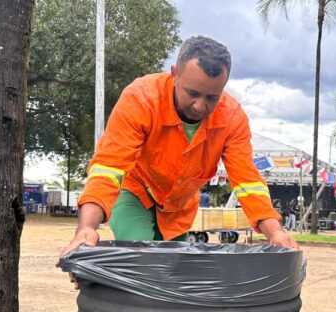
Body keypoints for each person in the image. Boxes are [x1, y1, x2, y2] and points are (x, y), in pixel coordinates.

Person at [62, 36, 297, 254]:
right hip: (135, 192)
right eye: (192, 93)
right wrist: (86, 228)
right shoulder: (141, 99)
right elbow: (108, 168)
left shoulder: (232, 118)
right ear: (174, 74)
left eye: (212, 97)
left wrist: (275, 232)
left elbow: (247, 182)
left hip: (178, 209)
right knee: (143, 262)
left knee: (174, 272)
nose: (199, 106)